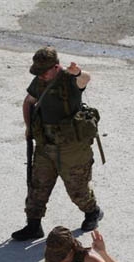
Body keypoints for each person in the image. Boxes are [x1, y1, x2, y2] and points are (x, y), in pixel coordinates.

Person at [12, 46, 104, 241]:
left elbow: (85, 78)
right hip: (46, 144)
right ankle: (33, 225)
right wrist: (29, 128)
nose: (41, 76)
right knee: (37, 186)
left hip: (71, 148)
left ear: (56, 67)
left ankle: (92, 212)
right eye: (38, 72)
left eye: (44, 72)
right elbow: (29, 101)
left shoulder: (70, 79)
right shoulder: (39, 80)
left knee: (77, 189)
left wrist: (77, 72)